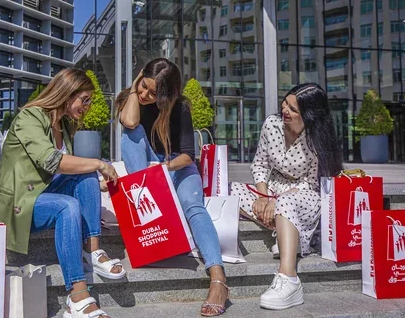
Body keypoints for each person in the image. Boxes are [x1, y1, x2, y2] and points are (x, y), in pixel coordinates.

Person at [0, 68, 124, 318]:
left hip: (42, 193)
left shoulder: (63, 125)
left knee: (87, 176)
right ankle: (77, 296)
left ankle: (92, 251)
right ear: (67, 93)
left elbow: (64, 172)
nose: (87, 107)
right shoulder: (30, 117)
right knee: (67, 205)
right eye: (84, 100)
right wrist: (98, 164)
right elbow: (52, 161)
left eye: (89, 102)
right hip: (18, 203)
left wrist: (94, 183)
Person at [117, 58, 230, 317]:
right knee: (130, 133)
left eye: (153, 93)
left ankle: (218, 278)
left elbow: (188, 156)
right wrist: (134, 87)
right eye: (143, 87)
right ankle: (143, 193)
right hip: (147, 170)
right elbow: (130, 123)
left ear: (167, 95)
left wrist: (161, 170)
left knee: (193, 205)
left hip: (176, 165)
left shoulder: (180, 108)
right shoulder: (133, 99)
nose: (145, 95)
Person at [230, 83, 343, 310]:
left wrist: (278, 201)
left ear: (309, 116)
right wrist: (264, 198)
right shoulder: (271, 125)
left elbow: (311, 183)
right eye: (285, 103)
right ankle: (286, 232)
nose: (285, 110)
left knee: (285, 202)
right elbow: (260, 165)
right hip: (273, 189)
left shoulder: (317, 139)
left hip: (304, 195)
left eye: (293, 109)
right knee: (232, 190)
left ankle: (289, 279)